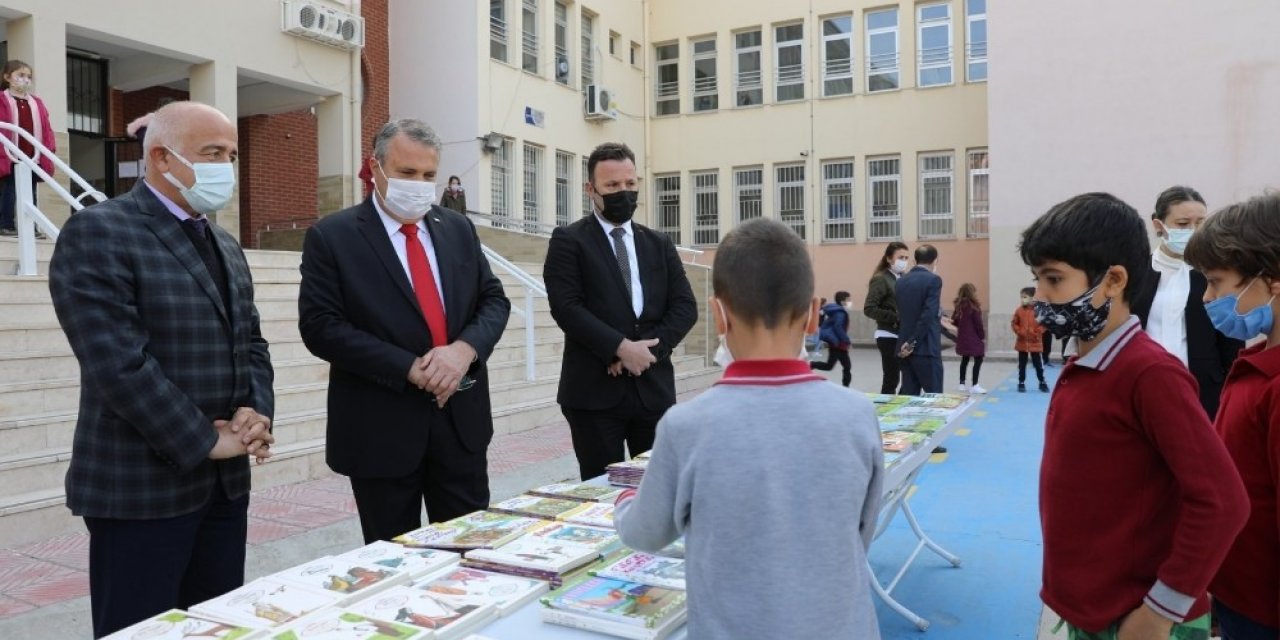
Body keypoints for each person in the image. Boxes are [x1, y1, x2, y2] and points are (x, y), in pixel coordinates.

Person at [47, 101, 276, 638]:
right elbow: (117, 362)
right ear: (161, 158)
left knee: (216, 626)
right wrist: (203, 439)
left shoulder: (223, 242)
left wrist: (254, 414)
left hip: (224, 486)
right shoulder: (99, 231)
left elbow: (253, 341)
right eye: (212, 153)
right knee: (141, 631)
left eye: (232, 155)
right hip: (141, 489)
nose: (226, 167)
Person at [614, 218, 883, 640]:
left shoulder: (686, 426)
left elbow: (645, 532)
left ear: (719, 316)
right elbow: (861, 533)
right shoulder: (857, 414)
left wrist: (626, 500)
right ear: (814, 315)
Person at [1018, 192, 1248, 640]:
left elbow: (1223, 501)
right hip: (1091, 608)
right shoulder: (1084, 367)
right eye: (1036, 279)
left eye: (1053, 279)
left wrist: (1162, 610)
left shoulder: (1150, 375)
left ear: (1113, 281)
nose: (1040, 297)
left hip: (1137, 620)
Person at [298, 119, 511, 544]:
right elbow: (322, 327)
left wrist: (463, 350)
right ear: (375, 168)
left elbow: (493, 300)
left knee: (472, 553)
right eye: (407, 173)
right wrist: (409, 368)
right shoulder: (332, 236)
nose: (419, 185)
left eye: (429, 176)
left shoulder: (457, 229)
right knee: (393, 562)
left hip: (459, 424)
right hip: (381, 429)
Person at [543, 142, 697, 481]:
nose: (622, 193)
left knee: (659, 488)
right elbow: (567, 308)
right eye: (612, 186)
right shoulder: (569, 241)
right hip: (594, 394)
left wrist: (644, 352)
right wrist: (618, 348)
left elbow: (685, 307)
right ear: (591, 189)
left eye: (629, 184)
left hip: (652, 390)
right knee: (600, 492)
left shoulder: (658, 243)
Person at [1182, 192, 1280, 640]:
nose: (1208, 297)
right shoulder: (1258, 361)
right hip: (1239, 596)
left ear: (1272, 281)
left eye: (1217, 281)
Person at [1131, 185, 1242, 419]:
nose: (1193, 230)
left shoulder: (1216, 276)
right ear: (1158, 225)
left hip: (1203, 394)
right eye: (1183, 224)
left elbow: (1231, 342)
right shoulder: (1136, 273)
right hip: (1139, 389)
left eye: (1201, 223)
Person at [0, 60, 55, 237]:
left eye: (28, 76)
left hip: (32, 154)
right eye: (20, 75)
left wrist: (49, 148)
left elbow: (46, 127)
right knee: (10, 190)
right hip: (9, 153)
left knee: (30, 191)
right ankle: (6, 224)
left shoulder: (36, 102)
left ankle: (30, 228)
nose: (25, 80)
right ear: (7, 78)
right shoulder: (2, 99)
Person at [895, 244, 944, 395]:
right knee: (933, 396)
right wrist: (912, 342)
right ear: (935, 260)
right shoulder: (933, 280)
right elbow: (928, 314)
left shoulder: (901, 281)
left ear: (916, 260)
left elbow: (905, 312)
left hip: (904, 348)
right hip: (926, 347)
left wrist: (907, 343)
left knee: (909, 397)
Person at [864, 242, 910, 394]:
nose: (904, 261)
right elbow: (869, 308)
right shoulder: (881, 279)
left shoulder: (903, 278)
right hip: (888, 334)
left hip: (903, 335)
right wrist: (896, 317)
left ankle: (900, 409)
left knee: (909, 376)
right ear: (889, 259)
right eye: (900, 257)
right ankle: (883, 413)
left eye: (906, 257)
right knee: (892, 378)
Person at [810, 291, 852, 386]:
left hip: (838, 343)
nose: (850, 302)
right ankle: (811, 364)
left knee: (845, 366)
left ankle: (846, 387)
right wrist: (846, 340)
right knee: (832, 366)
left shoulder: (838, 311)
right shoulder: (840, 313)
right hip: (838, 343)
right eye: (848, 300)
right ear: (842, 301)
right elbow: (838, 327)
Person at [1011, 287, 1049, 393]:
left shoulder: (1039, 311)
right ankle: (1021, 382)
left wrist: (1037, 332)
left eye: (1025, 297)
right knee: (1022, 365)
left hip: (1035, 343)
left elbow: (1044, 324)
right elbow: (1014, 323)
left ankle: (1042, 382)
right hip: (1022, 343)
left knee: (1038, 365)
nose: (1022, 299)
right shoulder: (1019, 310)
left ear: (1032, 298)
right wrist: (1019, 331)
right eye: (1021, 297)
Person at [952, 283, 987, 394]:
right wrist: (982, 336)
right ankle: (975, 385)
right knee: (978, 358)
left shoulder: (959, 306)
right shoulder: (974, 307)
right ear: (972, 293)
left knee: (965, 359)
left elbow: (955, 321)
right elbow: (978, 324)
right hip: (973, 338)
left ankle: (961, 384)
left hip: (963, 338)